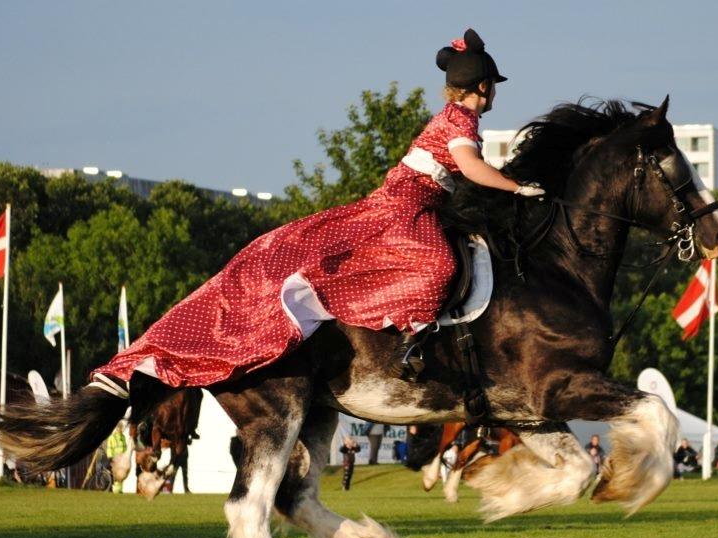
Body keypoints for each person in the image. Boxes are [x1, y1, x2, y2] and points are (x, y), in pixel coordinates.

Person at [92, 28, 544, 391]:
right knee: (438, 266)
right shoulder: (460, 120)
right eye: (493, 88)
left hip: (414, 204)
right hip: (406, 207)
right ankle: (412, 343)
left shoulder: (458, 119)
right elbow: (470, 167)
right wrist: (517, 187)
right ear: (483, 87)